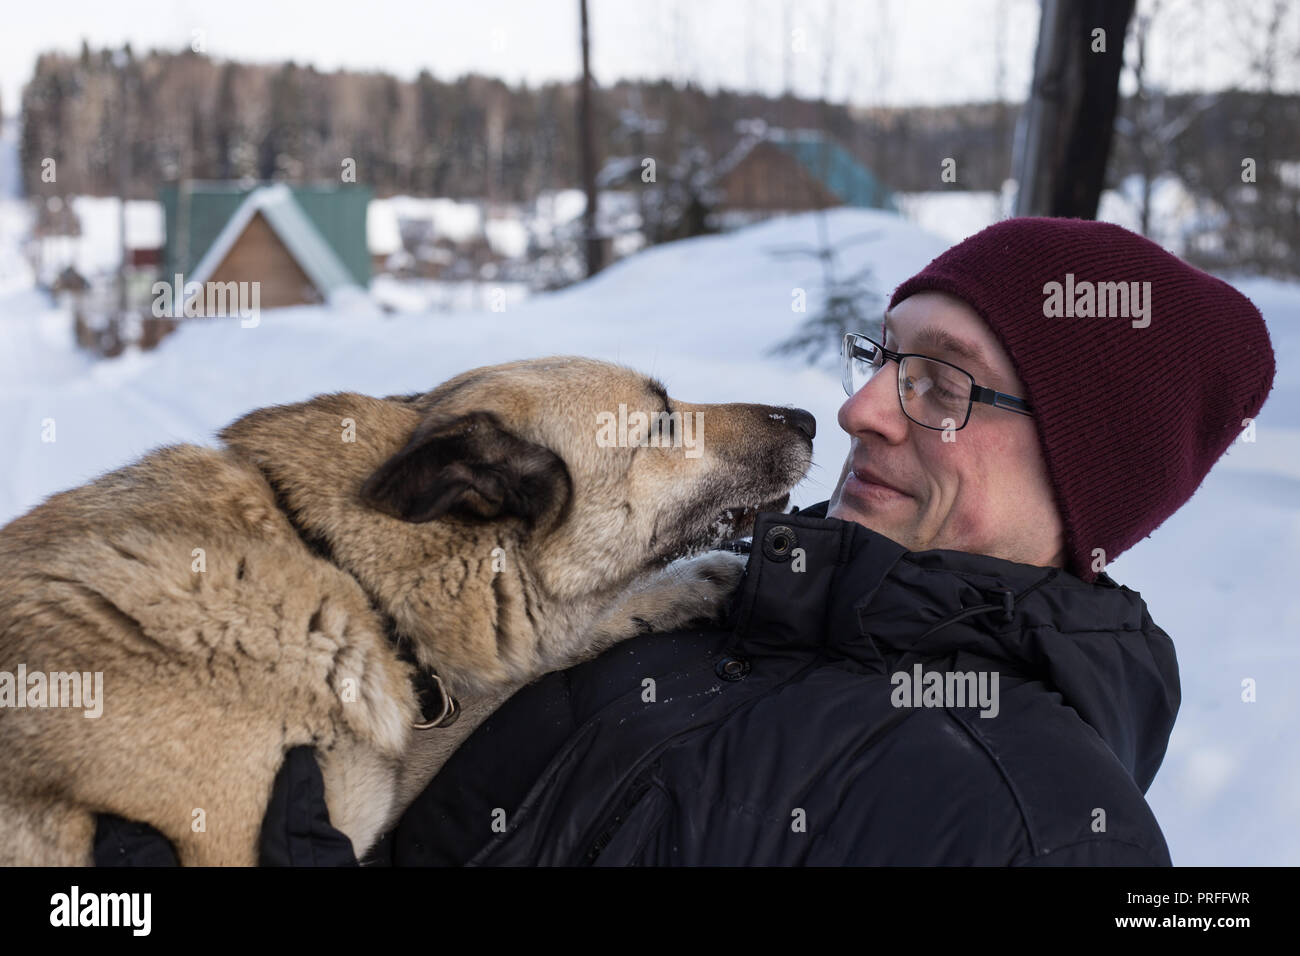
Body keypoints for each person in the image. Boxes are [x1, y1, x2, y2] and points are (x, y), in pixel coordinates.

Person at [97, 217, 1276, 866]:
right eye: (882, 357)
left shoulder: (1032, 825)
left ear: (1080, 469)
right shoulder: (727, 602)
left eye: (939, 385)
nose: (863, 407)